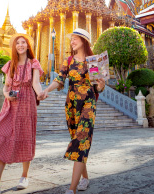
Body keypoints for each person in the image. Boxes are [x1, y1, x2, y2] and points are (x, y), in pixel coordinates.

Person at [0, 33, 45, 194]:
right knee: (1, 137)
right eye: (18, 43)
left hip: (27, 104)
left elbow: (35, 83)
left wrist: (41, 93)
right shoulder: (11, 64)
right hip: (10, 106)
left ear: (28, 46)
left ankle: (24, 176)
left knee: (25, 138)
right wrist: (6, 94)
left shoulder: (33, 63)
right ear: (14, 47)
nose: (21, 45)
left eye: (23, 42)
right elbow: (6, 86)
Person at [43, 28, 105, 194]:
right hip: (71, 105)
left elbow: (97, 87)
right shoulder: (68, 61)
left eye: (75, 39)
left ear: (84, 41)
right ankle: (84, 178)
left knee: (82, 140)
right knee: (78, 141)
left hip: (88, 104)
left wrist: (101, 85)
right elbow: (59, 79)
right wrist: (47, 90)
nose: (72, 42)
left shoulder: (92, 62)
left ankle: (72, 189)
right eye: (71, 39)